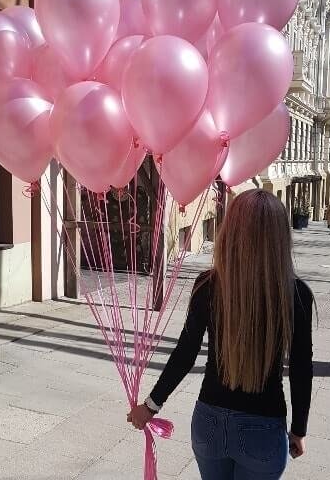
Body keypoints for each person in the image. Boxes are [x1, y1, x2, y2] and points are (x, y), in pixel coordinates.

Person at [127, 189, 315, 480]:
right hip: (263, 430)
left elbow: (185, 352)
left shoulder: (208, 285)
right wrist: (299, 429)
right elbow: (302, 368)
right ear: (280, 237)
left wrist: (150, 407)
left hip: (209, 424)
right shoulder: (296, 294)